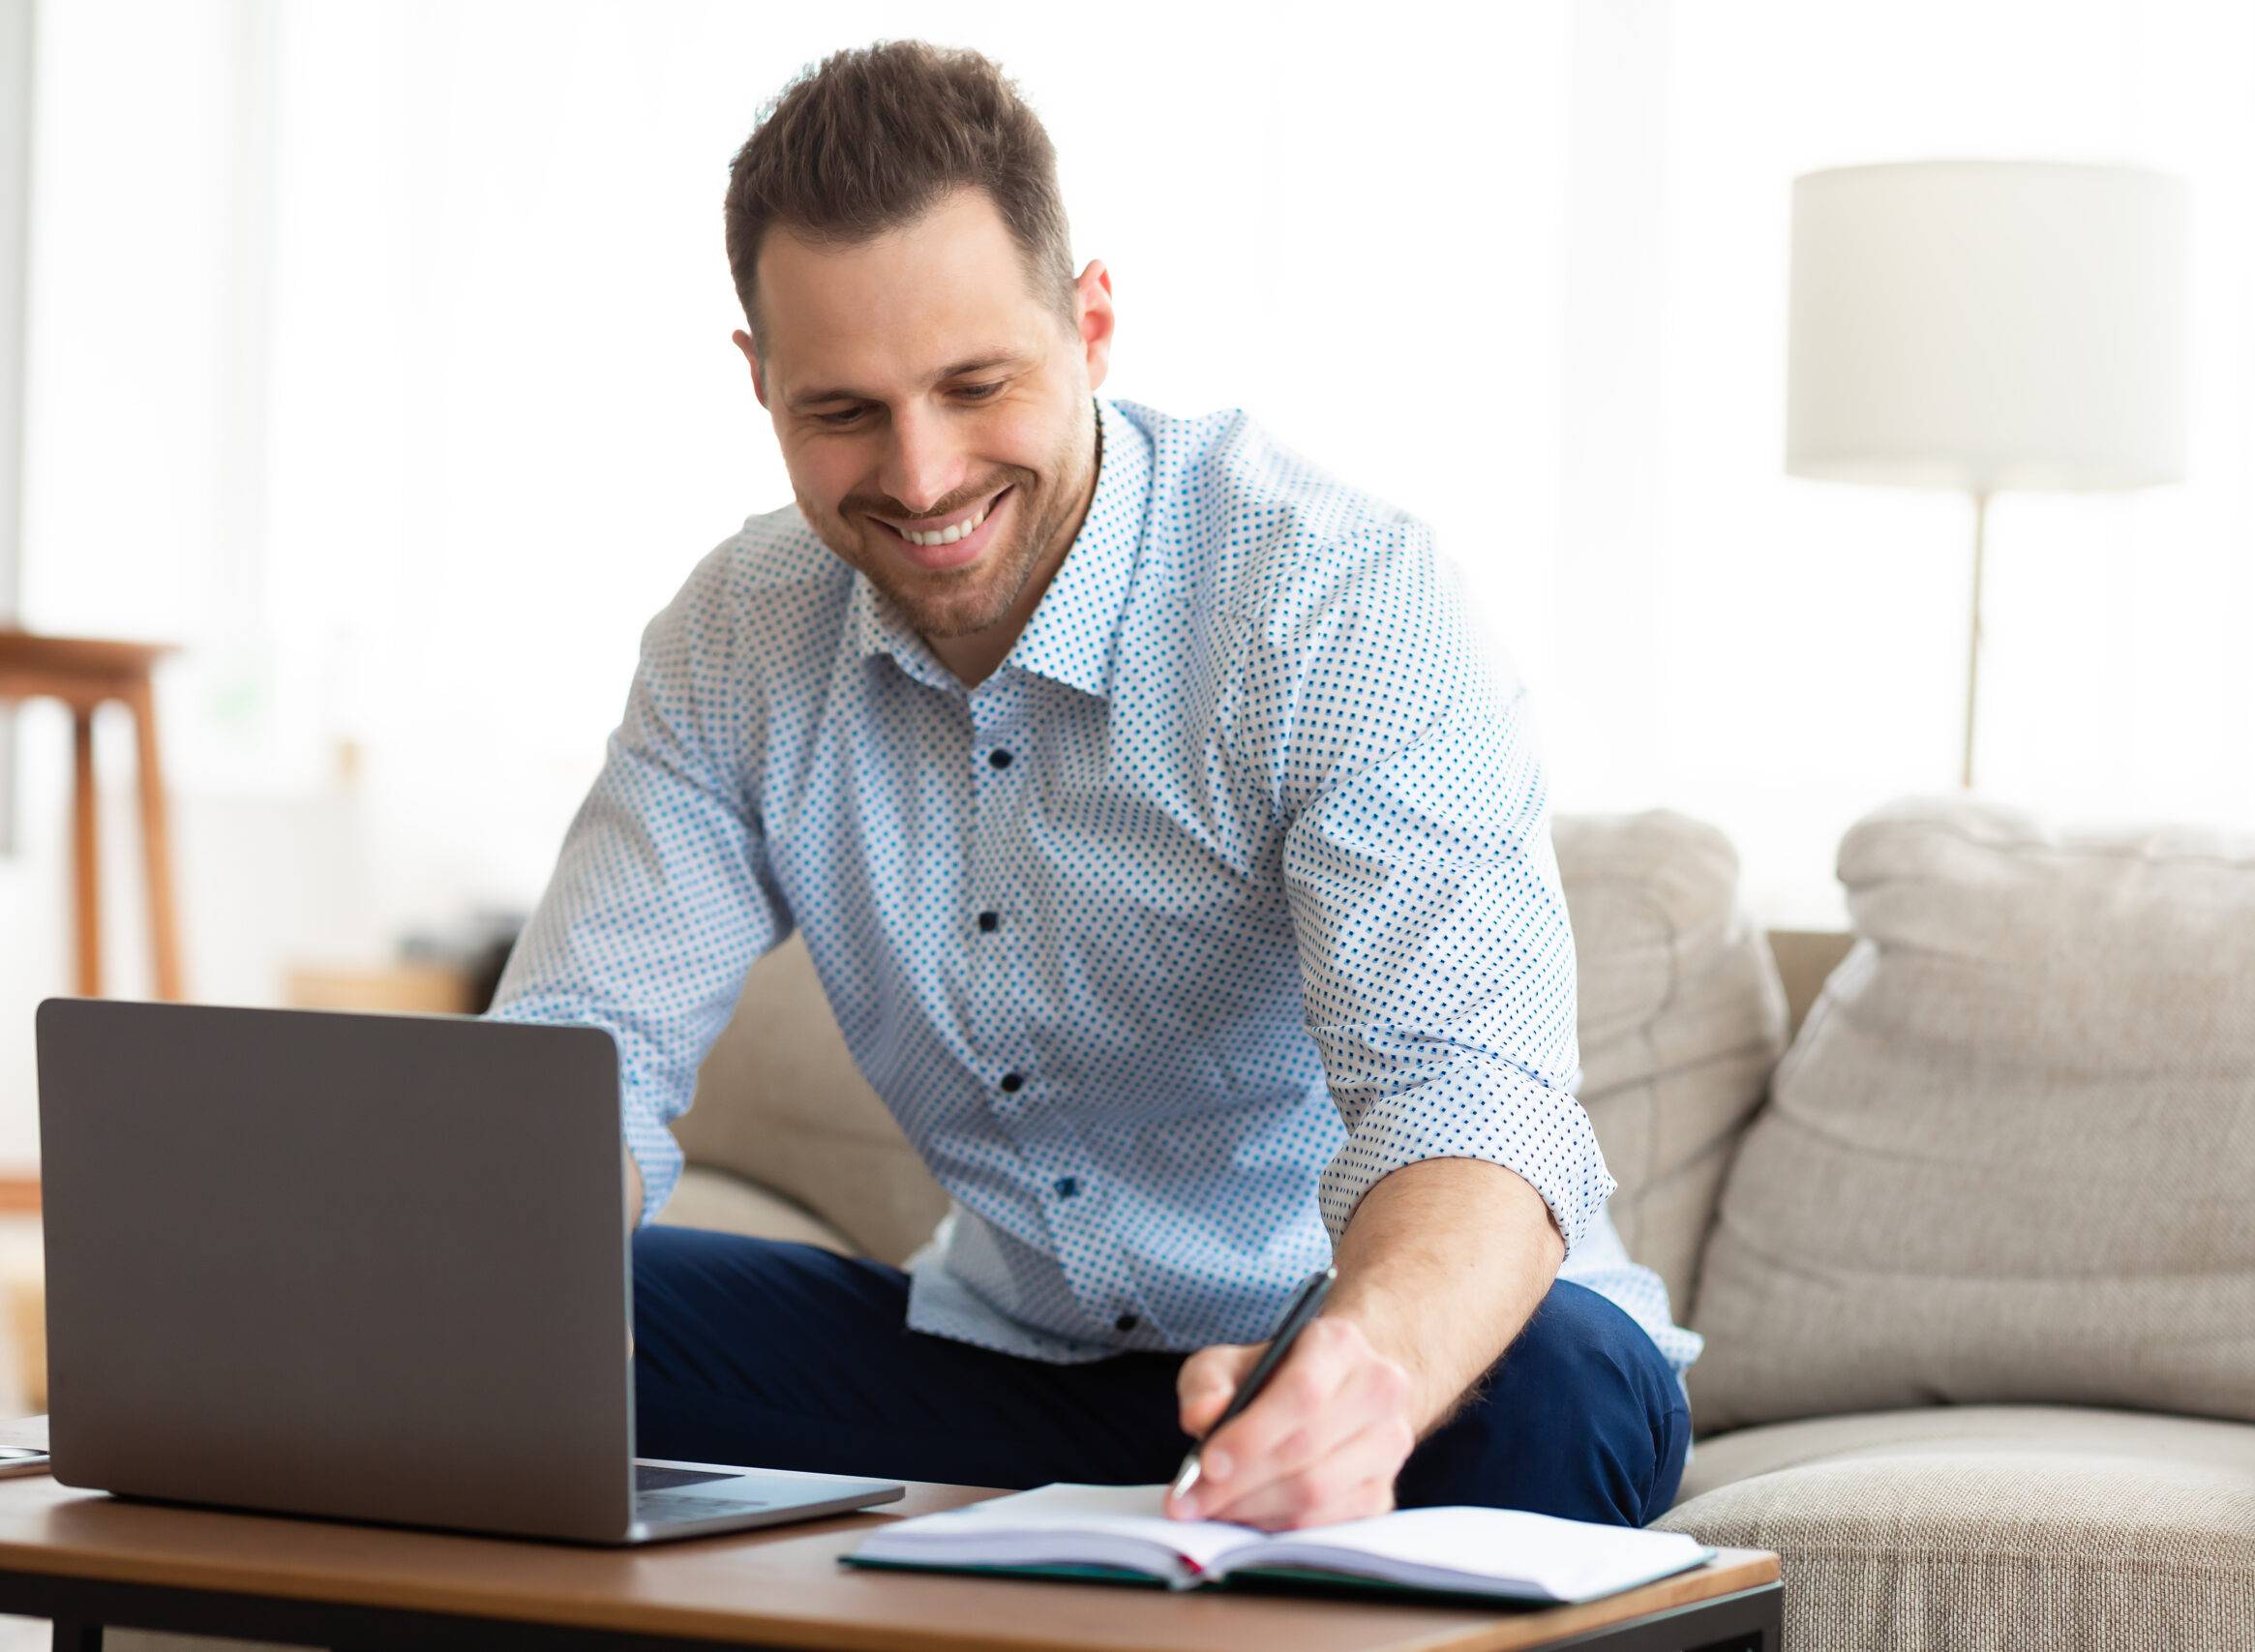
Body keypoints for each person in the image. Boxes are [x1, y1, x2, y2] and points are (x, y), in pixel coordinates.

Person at [487, 39, 1699, 1532]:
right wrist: (501, 1317)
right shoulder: (741, 636)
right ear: (760, 382)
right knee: (469, 1320)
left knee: (1565, 1385)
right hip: (1018, 1364)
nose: (922, 477)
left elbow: (1470, 1101)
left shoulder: (1331, 600)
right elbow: (575, 1065)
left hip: (1393, 1352)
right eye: (843, 412)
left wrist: (1362, 1375)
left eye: (975, 385)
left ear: (1093, 324)